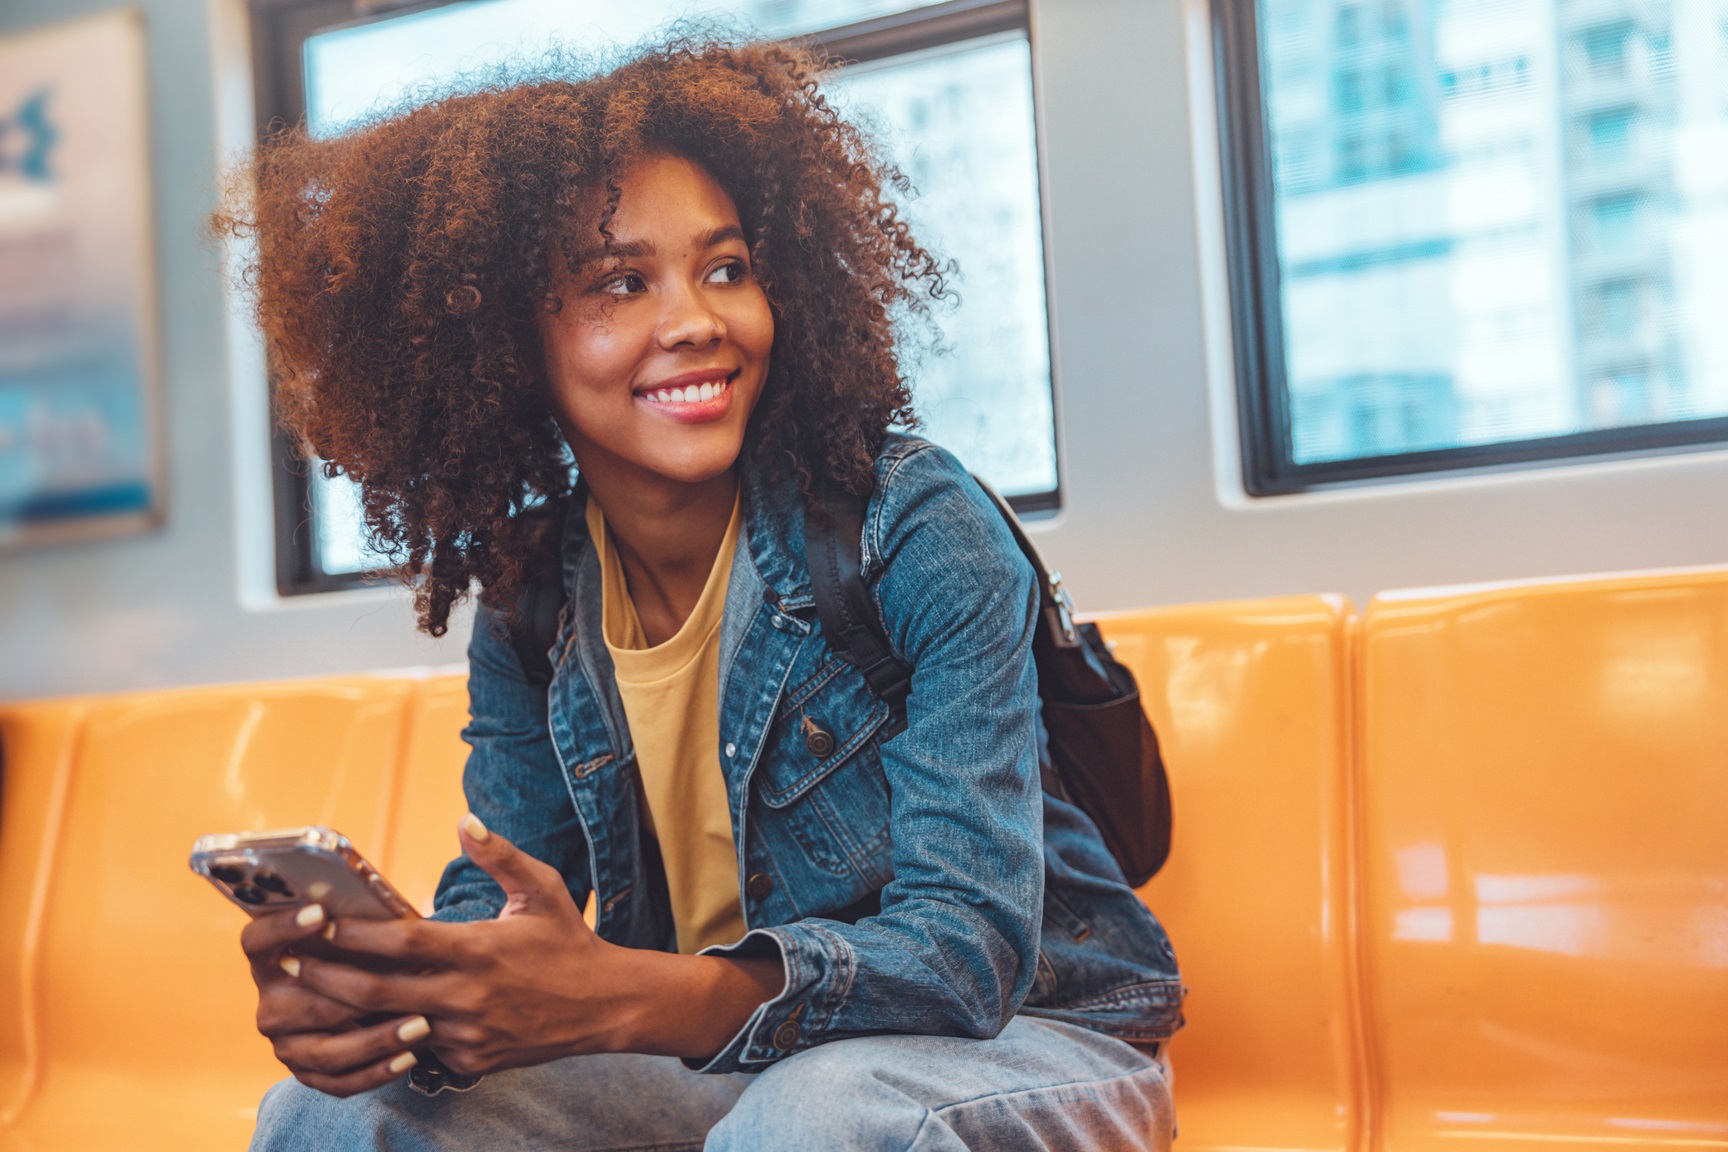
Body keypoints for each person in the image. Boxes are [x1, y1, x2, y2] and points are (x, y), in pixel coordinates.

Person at [220, 36, 1183, 1151]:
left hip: (1028, 1041)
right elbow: (504, 901)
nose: (697, 319)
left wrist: (616, 997)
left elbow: (966, 957)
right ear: (502, 341)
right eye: (622, 283)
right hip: (727, 1063)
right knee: (333, 1116)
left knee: (820, 1118)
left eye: (726, 268)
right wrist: (406, 999)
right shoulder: (534, 600)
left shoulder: (912, 525)